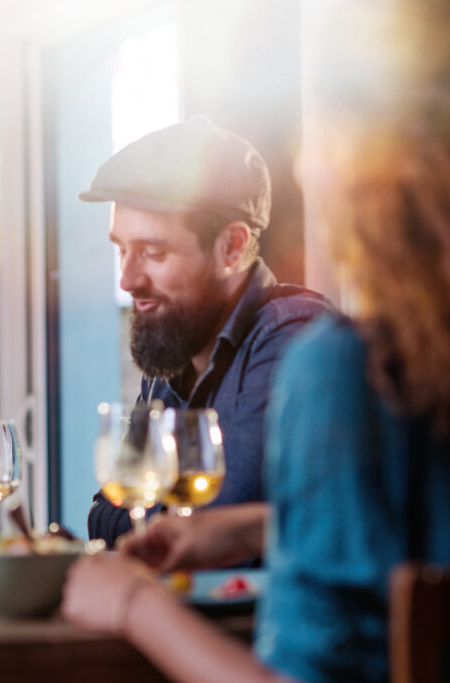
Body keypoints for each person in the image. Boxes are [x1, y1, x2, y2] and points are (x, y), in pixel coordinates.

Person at [62, 4, 450, 682]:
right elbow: (111, 513)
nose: (303, 167)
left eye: (321, 142)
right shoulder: (171, 353)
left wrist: (130, 603)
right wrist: (253, 526)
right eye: (121, 249)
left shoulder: (331, 361)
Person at [81, 117, 332, 545]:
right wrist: (156, 515)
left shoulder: (294, 338)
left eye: (153, 252)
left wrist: (151, 512)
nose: (127, 279)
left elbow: (219, 520)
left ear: (232, 247)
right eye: (121, 250)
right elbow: (102, 517)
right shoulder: (172, 344)